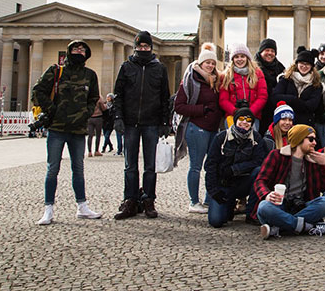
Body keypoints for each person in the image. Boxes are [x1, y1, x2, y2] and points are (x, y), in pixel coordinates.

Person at [32, 39, 102, 225]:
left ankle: (82, 206)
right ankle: (48, 209)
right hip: (57, 128)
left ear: (87, 54)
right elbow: (38, 91)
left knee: (78, 169)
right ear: (68, 51)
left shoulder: (90, 75)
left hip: (78, 129)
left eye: (82, 49)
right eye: (75, 48)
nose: (79, 51)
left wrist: (86, 113)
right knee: (52, 169)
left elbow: (94, 97)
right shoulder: (56, 71)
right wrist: (51, 109)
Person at [113, 31, 171, 220]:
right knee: (130, 165)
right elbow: (118, 95)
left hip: (151, 122)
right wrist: (118, 117)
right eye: (140, 46)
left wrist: (165, 122)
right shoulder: (126, 67)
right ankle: (130, 200)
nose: (143, 49)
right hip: (130, 122)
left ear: (151, 48)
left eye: (146, 46)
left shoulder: (159, 69)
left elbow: (165, 97)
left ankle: (148, 200)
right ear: (135, 47)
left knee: (150, 166)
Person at [253, 125, 325, 239]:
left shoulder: (312, 161)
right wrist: (267, 195)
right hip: (279, 205)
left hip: (301, 206)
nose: (314, 143)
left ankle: (280, 228)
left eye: (315, 139)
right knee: (264, 207)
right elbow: (260, 181)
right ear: (299, 139)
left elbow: (324, 186)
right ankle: (309, 227)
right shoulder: (277, 155)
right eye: (310, 139)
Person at [174, 43, 224, 213]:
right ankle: (193, 202)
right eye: (207, 63)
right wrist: (201, 110)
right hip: (197, 128)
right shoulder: (190, 80)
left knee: (213, 165)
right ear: (200, 63)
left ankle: (209, 199)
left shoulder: (216, 80)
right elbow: (179, 106)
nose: (210, 65)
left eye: (213, 63)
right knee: (196, 165)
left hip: (213, 129)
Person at [204, 106, 268, 227]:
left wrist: (235, 169)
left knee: (259, 171)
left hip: (243, 183)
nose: (245, 122)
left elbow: (260, 161)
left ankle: (251, 213)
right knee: (217, 221)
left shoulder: (256, 139)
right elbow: (210, 166)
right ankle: (229, 206)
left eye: (249, 120)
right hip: (223, 185)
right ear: (235, 120)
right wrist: (213, 191)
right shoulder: (221, 138)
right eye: (242, 119)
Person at [219, 43, 268, 131]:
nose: (239, 59)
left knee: (251, 143)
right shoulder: (226, 75)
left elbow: (262, 96)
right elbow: (223, 100)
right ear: (232, 59)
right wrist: (235, 111)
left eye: (242, 56)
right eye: (236, 57)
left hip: (252, 116)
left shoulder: (257, 73)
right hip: (232, 116)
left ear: (247, 58)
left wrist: (250, 112)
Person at [272, 47, 322, 128]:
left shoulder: (316, 85)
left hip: (305, 125)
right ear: (297, 63)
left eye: (307, 64)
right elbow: (275, 97)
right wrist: (294, 99)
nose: (304, 66)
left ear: (312, 66)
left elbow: (311, 106)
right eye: (302, 63)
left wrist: (291, 102)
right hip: (285, 124)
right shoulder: (286, 79)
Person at [255, 38, 286, 133]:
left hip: (274, 111)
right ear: (261, 52)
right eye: (267, 50)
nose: (270, 53)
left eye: (272, 51)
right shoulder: (253, 68)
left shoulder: (281, 69)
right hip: (259, 112)